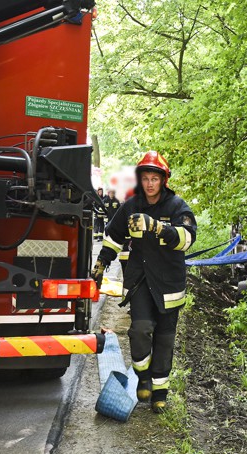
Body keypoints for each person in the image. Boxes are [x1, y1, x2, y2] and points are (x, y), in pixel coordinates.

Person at [91, 151, 196, 413]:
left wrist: (159, 228)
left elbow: (187, 239)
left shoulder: (176, 206)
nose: (150, 184)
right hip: (139, 281)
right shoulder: (131, 206)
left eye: (155, 179)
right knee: (139, 330)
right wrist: (101, 263)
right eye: (146, 178)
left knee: (164, 338)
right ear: (140, 180)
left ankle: (160, 391)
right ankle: (144, 376)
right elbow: (113, 236)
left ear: (163, 180)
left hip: (169, 285)